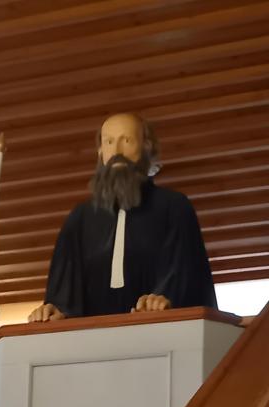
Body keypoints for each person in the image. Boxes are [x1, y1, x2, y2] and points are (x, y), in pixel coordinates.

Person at [28, 113, 217, 322]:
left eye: (126, 140)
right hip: (93, 338)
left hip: (158, 332)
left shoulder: (173, 207)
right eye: (109, 142)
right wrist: (55, 311)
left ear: (146, 147)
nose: (117, 151)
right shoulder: (80, 219)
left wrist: (165, 299)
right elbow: (64, 295)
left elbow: (186, 276)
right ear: (100, 152)